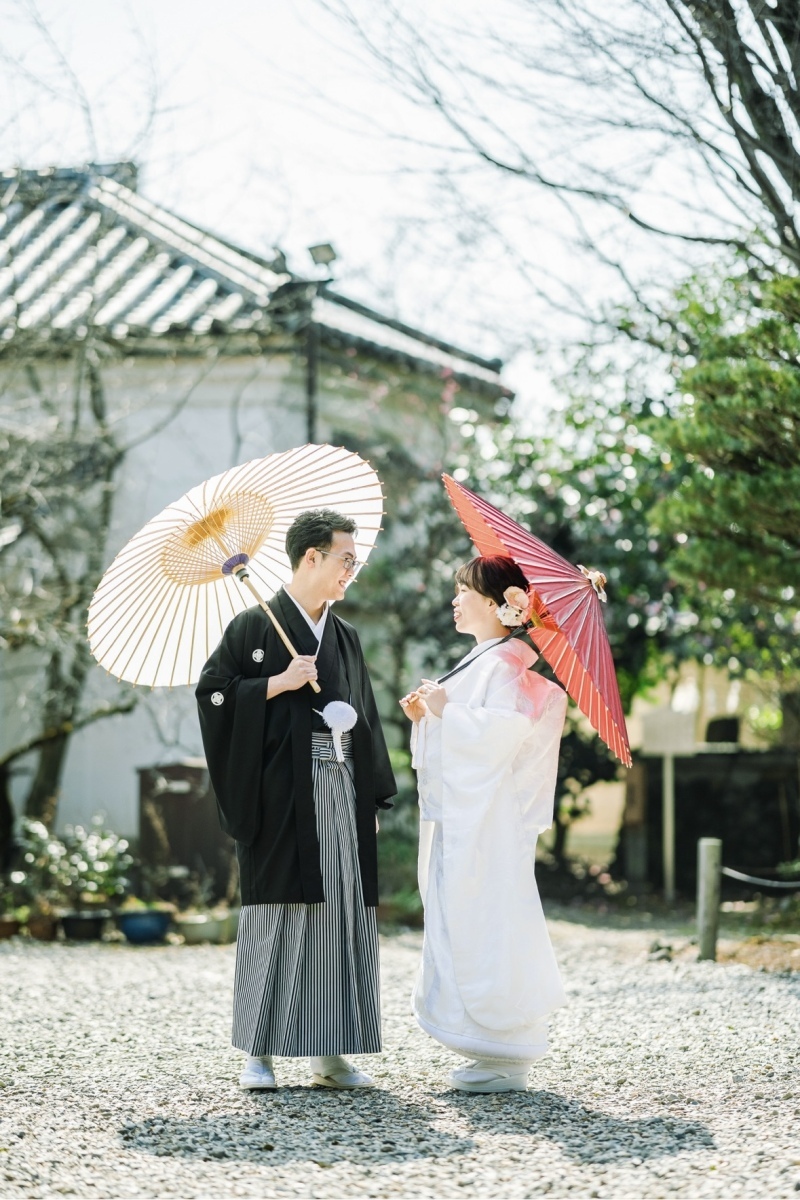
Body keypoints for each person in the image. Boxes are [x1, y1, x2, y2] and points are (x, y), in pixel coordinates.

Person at [196, 509, 396, 1091]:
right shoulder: (250, 629)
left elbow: (367, 720)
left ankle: (330, 1052)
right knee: (275, 912)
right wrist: (273, 684)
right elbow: (213, 694)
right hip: (279, 793)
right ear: (311, 557)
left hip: (339, 785)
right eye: (344, 560)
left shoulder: (345, 637)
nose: (350, 572)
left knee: (340, 912)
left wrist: (372, 799)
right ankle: (258, 1052)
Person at [400, 555, 568, 1094]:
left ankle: (506, 1051)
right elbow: (464, 733)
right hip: (470, 818)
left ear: (500, 605)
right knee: (468, 918)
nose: (455, 600)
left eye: (464, 590)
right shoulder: (484, 659)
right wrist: (427, 719)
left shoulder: (501, 664)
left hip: (487, 823)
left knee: (488, 920)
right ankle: (488, 1046)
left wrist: (451, 712)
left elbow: (506, 733)